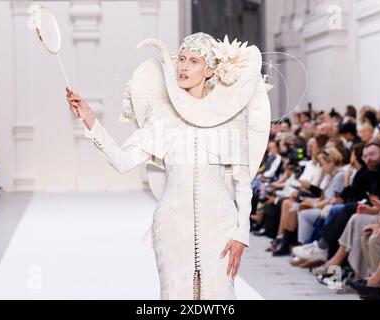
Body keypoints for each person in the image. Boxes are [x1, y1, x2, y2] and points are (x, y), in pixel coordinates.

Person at [65, 32, 271, 300]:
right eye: (181, 59)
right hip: (172, 223)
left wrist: (241, 233)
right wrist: (90, 120)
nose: (184, 66)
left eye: (194, 61)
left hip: (220, 225)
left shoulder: (228, 116)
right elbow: (122, 161)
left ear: (209, 70)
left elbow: (243, 183)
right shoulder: (161, 117)